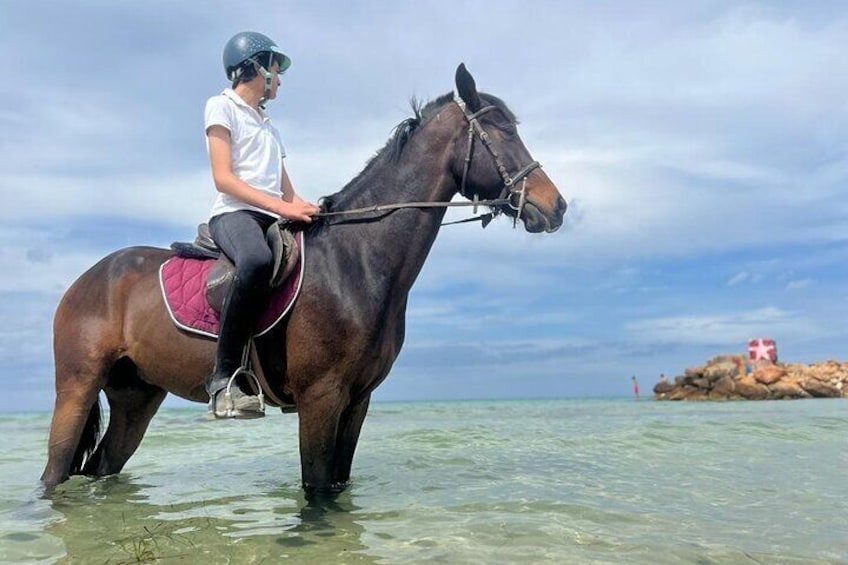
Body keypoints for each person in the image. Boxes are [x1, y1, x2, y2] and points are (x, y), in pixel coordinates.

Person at [203, 31, 319, 419]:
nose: (279, 78)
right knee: (254, 260)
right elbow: (224, 178)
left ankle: (286, 371)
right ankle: (222, 382)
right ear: (253, 67)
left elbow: (288, 192)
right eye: (275, 68)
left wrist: (310, 208)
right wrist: (279, 206)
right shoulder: (221, 107)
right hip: (233, 214)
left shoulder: (271, 128)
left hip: (270, 215)